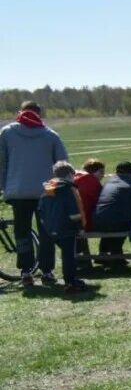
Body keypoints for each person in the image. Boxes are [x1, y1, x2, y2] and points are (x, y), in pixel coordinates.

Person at [0, 101, 69, 286]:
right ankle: (47, 271)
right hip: (46, 192)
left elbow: (2, 163)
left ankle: (26, 271)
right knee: (46, 232)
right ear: (39, 114)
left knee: (22, 232)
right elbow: (63, 164)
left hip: (18, 192)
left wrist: (3, 187)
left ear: (20, 112)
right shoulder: (51, 135)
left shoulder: (7, 133)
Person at [36, 161, 87, 293]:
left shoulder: (46, 189)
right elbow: (75, 211)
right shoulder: (69, 189)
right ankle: (70, 282)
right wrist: (80, 226)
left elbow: (40, 209)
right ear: (70, 174)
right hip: (67, 227)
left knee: (47, 250)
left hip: (49, 227)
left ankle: (47, 274)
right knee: (69, 255)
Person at [92, 160, 131, 265]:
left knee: (114, 219)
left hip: (98, 221)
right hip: (118, 222)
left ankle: (105, 254)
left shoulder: (108, 183)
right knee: (129, 222)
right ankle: (119, 256)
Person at [73, 159, 105, 232]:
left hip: (71, 223)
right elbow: (102, 201)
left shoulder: (74, 177)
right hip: (86, 223)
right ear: (93, 171)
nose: (103, 175)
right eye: (101, 172)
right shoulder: (91, 181)